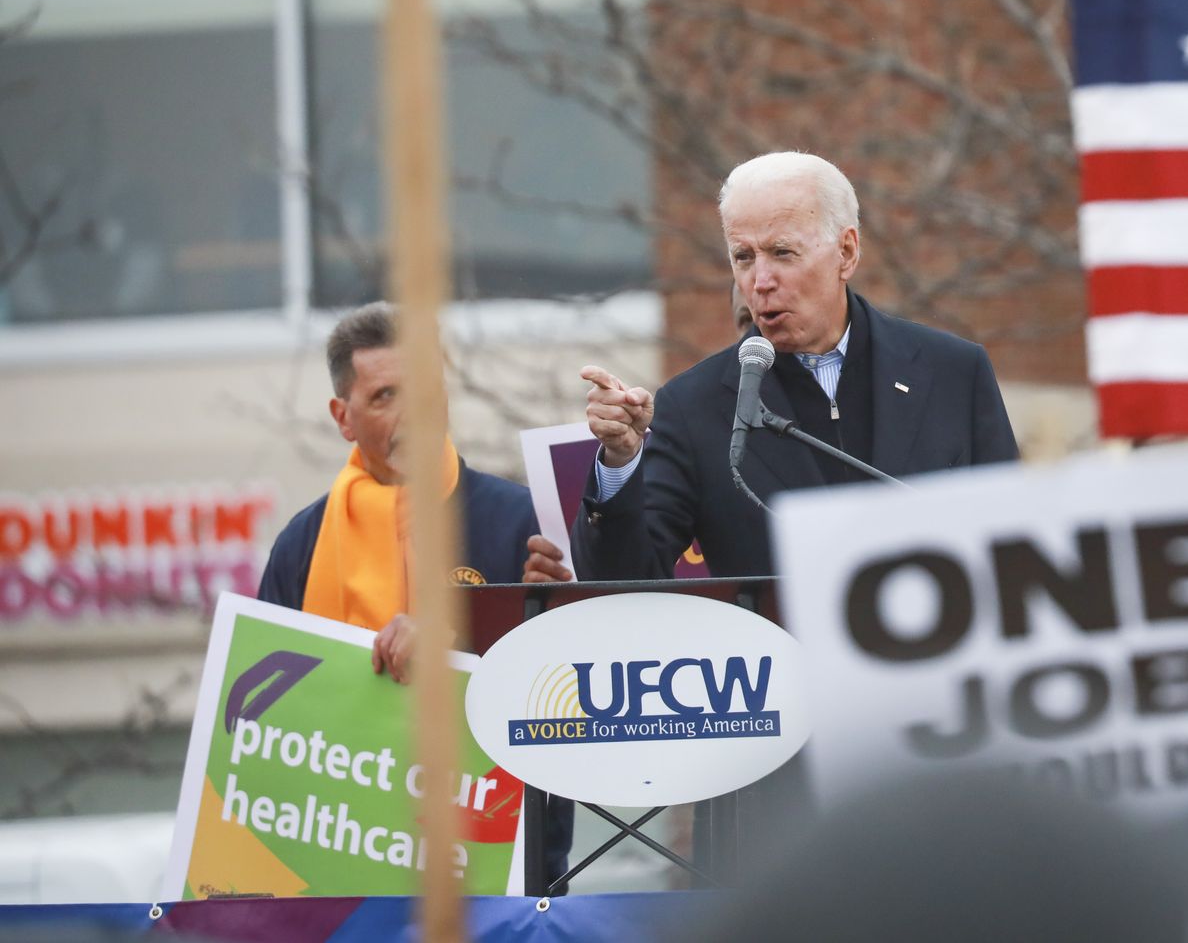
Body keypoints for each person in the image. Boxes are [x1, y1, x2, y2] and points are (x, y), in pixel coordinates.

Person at [523, 151, 1020, 585]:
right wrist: (620, 461)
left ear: (845, 252)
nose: (759, 281)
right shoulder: (695, 407)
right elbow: (622, 583)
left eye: (782, 253)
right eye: (743, 257)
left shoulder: (953, 372)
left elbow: (1017, 545)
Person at [256, 301, 573, 885]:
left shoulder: (521, 521)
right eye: (384, 397)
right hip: (338, 863)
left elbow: (559, 704)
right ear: (342, 416)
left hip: (491, 872)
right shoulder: (301, 545)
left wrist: (502, 626)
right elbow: (264, 730)